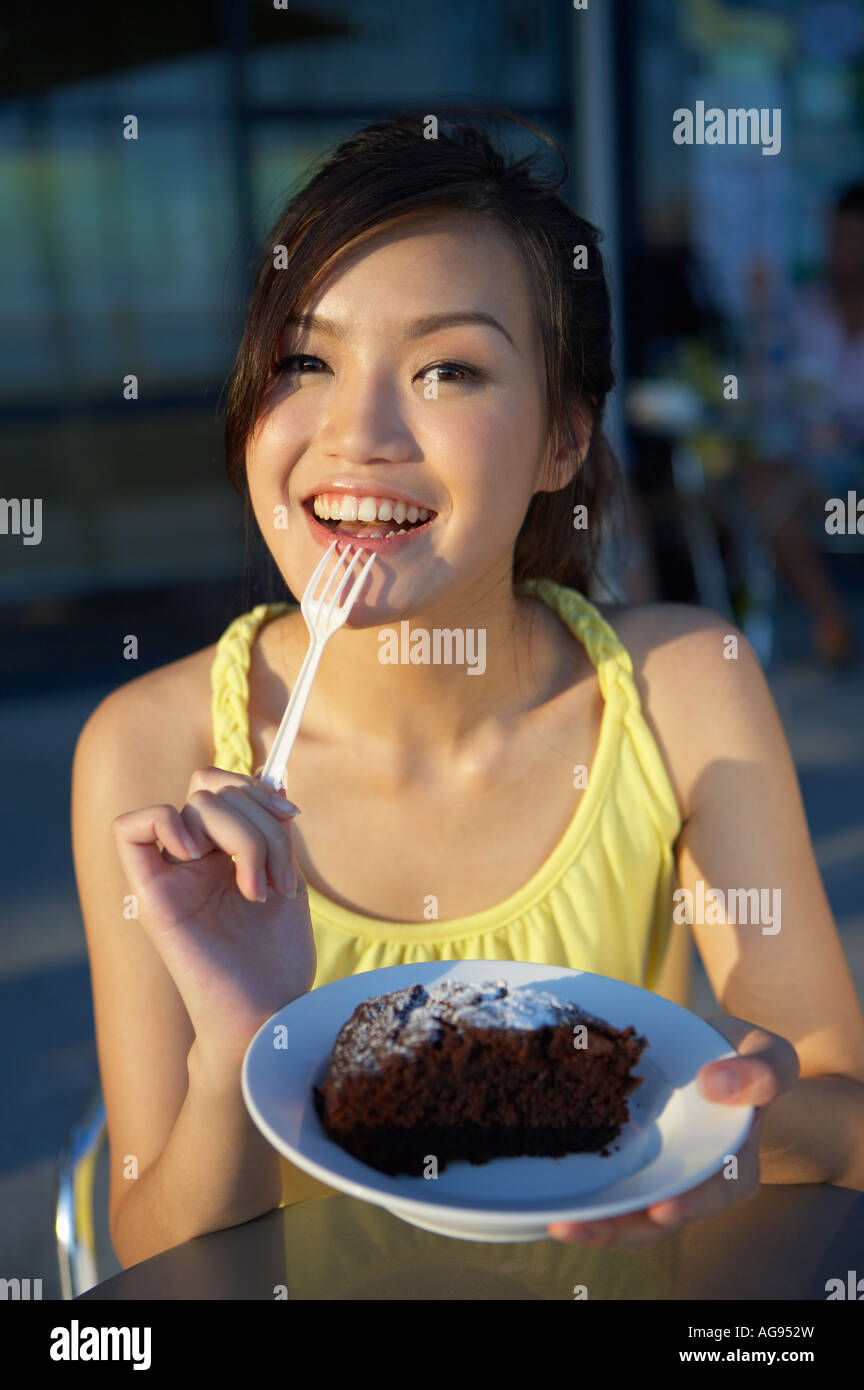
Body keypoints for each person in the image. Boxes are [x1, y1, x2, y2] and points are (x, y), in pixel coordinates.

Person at [72, 111, 864, 1280]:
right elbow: (154, 1250)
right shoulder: (152, 749)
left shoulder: (680, 690)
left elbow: (840, 1123)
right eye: (305, 359)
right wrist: (236, 1037)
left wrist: (746, 1124)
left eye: (449, 368)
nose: (357, 433)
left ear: (561, 438)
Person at [742, 181, 864, 665]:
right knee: (760, 487)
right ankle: (831, 619)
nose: (842, 252)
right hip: (815, 473)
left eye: (853, 240)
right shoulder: (801, 310)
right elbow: (764, 392)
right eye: (837, 239)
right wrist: (756, 318)